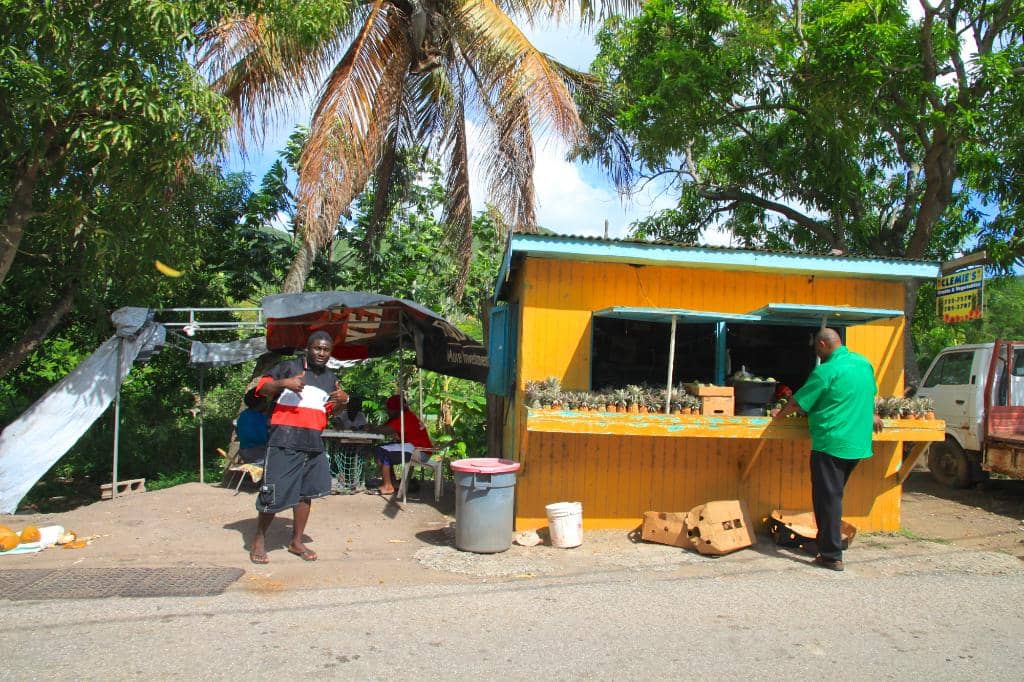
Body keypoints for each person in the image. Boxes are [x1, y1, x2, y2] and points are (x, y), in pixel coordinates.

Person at [771, 328, 883, 571]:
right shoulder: (863, 364)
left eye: (817, 349)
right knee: (832, 497)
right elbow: (870, 394)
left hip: (832, 443)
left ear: (822, 344)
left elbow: (799, 402)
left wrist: (779, 414)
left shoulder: (825, 371)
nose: (817, 354)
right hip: (858, 444)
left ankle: (831, 555)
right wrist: (873, 414)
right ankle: (826, 543)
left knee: (828, 500)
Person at [248, 331, 349, 564]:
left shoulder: (330, 378)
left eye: (326, 349)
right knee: (273, 491)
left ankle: (296, 541)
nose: (321, 353)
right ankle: (259, 541)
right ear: (308, 348)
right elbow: (261, 389)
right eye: (317, 348)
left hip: (313, 441)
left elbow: (332, 411)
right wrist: (285, 383)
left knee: (306, 494)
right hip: (284, 438)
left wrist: (342, 401)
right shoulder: (288, 367)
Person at [371, 394, 433, 496]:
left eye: (389, 409)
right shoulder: (406, 415)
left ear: (395, 409)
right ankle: (393, 483)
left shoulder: (404, 418)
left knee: (381, 451)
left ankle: (388, 486)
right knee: (381, 449)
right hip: (420, 450)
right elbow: (386, 427)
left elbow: (385, 431)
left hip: (419, 452)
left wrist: (370, 428)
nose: (388, 411)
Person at [236, 388, 270, 464]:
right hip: (256, 453)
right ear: (261, 403)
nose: (267, 403)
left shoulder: (244, 414)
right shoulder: (260, 417)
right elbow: (264, 437)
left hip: (244, 452)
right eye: (265, 401)